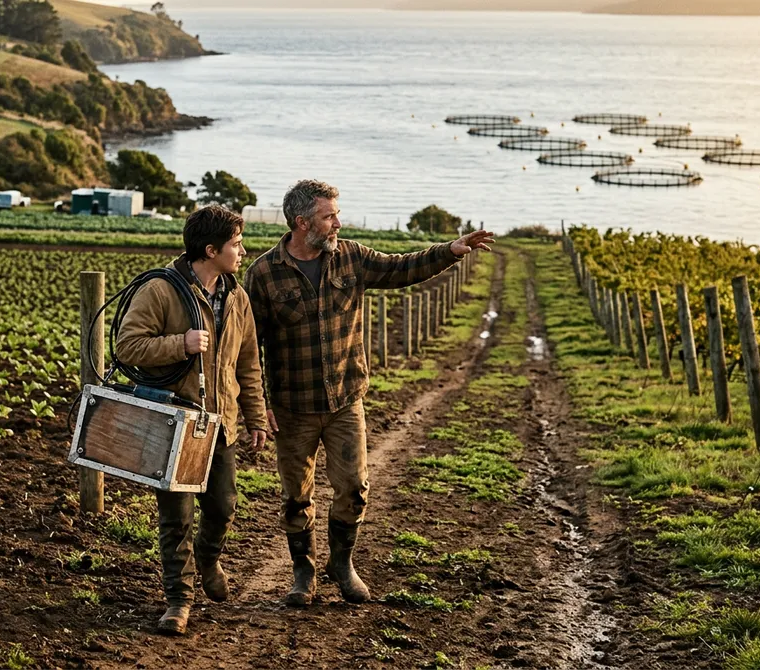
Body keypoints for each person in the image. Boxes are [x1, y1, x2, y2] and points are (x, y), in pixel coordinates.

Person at [244, 180, 494, 606]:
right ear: (303, 223)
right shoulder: (264, 274)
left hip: (345, 400)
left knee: (355, 487)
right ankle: (303, 573)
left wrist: (449, 251)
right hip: (293, 407)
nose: (338, 223)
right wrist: (258, 404)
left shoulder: (352, 257)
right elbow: (249, 347)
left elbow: (401, 268)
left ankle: (342, 564)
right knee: (295, 496)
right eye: (329, 216)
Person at [116, 205, 268, 635]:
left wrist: (255, 417)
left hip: (221, 424)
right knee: (175, 518)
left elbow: (249, 362)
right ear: (210, 249)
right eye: (236, 244)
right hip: (175, 422)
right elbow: (127, 347)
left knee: (223, 506)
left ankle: (208, 559)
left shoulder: (237, 296)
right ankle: (178, 601)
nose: (242, 251)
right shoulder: (162, 291)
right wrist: (179, 344)